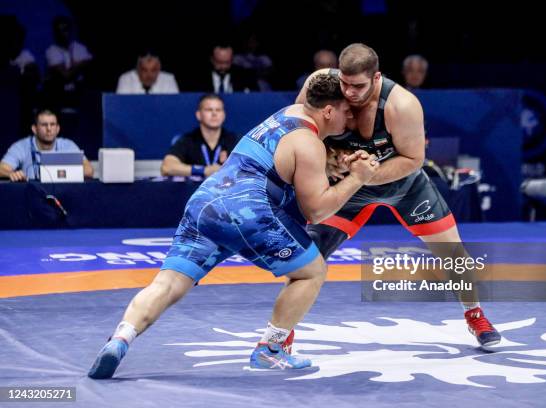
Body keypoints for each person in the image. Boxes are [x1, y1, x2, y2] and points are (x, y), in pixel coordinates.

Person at [87, 74, 379, 379]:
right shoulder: (309, 143)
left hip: (205, 203)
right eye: (348, 111)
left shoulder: (289, 113)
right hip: (245, 209)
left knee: (168, 283)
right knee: (312, 271)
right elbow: (316, 211)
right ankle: (271, 350)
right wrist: (357, 178)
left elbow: (317, 81)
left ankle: (121, 338)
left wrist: (333, 165)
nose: (351, 119)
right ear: (328, 111)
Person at [294, 43, 500, 349]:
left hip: (404, 187)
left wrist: (367, 174)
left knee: (455, 256)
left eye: (359, 86)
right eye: (345, 84)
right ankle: (281, 335)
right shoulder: (322, 85)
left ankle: (475, 314)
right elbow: (299, 130)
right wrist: (327, 159)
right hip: (348, 189)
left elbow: (414, 159)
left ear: (377, 78)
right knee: (308, 258)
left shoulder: (401, 104)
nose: (349, 93)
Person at [0, 109, 93, 181]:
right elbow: (1, 168)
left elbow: (89, 170)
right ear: (34, 129)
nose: (49, 129)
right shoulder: (21, 146)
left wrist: (67, 173)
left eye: (52, 124)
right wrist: (12, 174)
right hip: (32, 195)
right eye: (44, 125)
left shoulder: (68, 145)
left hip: (63, 194)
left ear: (58, 129)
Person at [161, 94, 237, 177]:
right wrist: (203, 171)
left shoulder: (235, 140)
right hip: (193, 189)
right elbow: (166, 167)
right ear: (198, 115)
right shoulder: (188, 140)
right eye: (209, 110)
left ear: (224, 115)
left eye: (218, 110)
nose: (214, 113)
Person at [43, 16, 93, 109]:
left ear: (70, 30)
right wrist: (81, 64)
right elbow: (65, 75)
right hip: (59, 95)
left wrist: (74, 67)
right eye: (59, 30)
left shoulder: (80, 48)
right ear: (55, 33)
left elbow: (91, 67)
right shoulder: (51, 51)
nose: (63, 33)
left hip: (80, 93)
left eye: (65, 29)